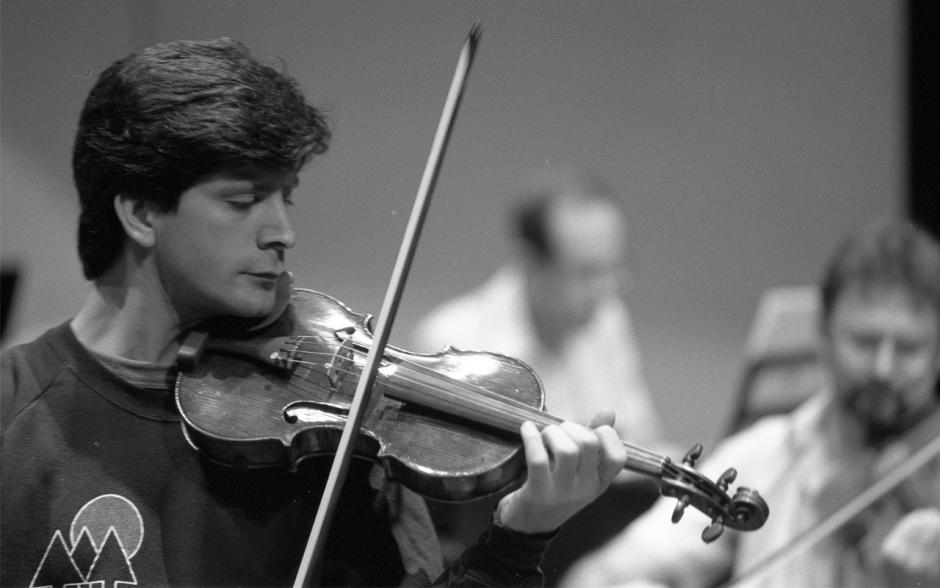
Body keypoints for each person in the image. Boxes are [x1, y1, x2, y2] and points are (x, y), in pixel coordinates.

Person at [0, 38, 628, 587]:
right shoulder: (13, 408)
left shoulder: (331, 437)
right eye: (244, 200)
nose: (283, 232)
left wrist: (522, 534)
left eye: (286, 198)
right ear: (139, 212)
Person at [561, 219, 940, 588]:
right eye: (864, 342)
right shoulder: (768, 454)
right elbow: (599, 577)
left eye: (909, 348)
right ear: (823, 334)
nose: (883, 369)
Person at [413, 167, 667, 451]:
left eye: (615, 265)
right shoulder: (449, 342)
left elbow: (642, 439)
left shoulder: (607, 318)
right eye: (587, 272)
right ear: (530, 262)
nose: (609, 288)